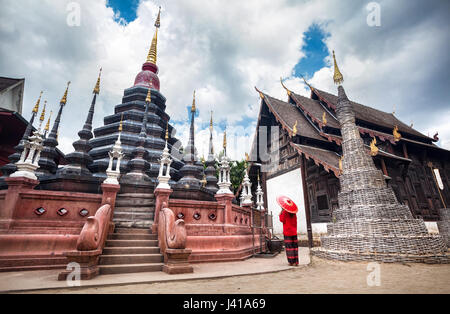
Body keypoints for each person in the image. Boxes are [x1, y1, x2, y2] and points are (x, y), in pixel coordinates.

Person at [277, 195, 299, 266]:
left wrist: (280, 214)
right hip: (294, 232)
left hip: (287, 232)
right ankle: (296, 262)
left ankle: (291, 262)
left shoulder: (285, 212)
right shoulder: (294, 213)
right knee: (295, 247)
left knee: (289, 247)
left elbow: (282, 220)